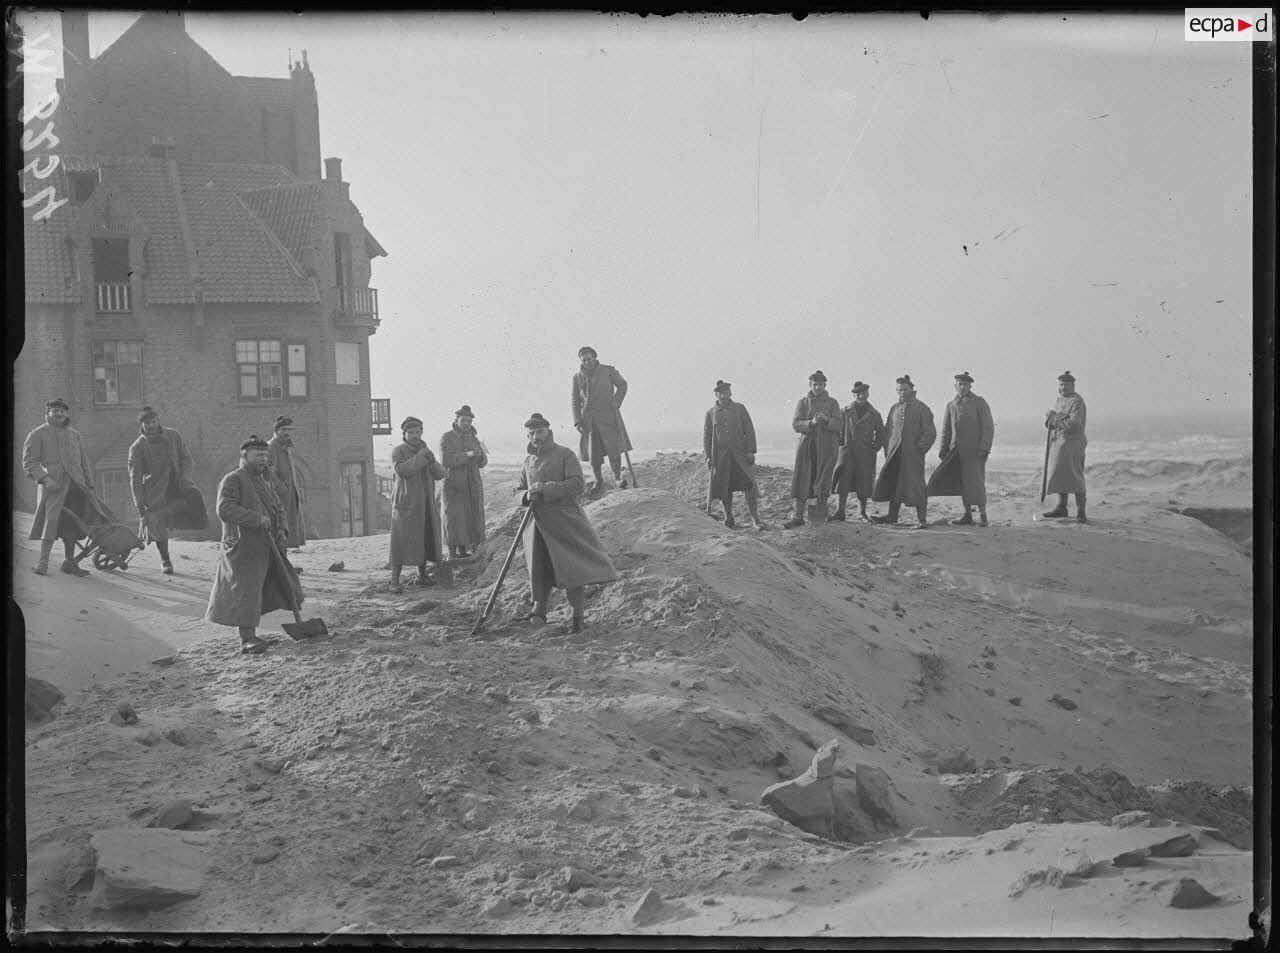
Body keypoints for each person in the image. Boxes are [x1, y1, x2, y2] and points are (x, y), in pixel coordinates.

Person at [514, 413, 619, 633]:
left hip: (564, 521)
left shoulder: (565, 455)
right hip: (536, 526)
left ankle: (577, 617)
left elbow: (577, 484)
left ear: (549, 432)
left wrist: (545, 488)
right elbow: (517, 489)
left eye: (540, 432)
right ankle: (539, 611)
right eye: (531, 433)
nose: (536, 437)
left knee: (572, 570)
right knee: (539, 568)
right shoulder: (528, 461)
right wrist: (525, 496)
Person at [204, 435, 303, 655]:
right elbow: (224, 509)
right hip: (241, 546)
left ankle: (266, 630)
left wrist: (281, 528)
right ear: (244, 456)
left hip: (267, 544)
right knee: (246, 591)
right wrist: (256, 518)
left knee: (280, 583)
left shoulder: (264, 480)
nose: (263, 460)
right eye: (258, 455)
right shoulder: (233, 479)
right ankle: (247, 639)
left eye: (266, 456)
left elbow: (278, 506)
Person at [22, 397, 97, 577]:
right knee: (51, 523)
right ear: (47, 413)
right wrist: (46, 479)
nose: (59, 414)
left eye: (62, 411)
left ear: (66, 414)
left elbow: (83, 461)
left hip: (76, 487)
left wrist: (89, 483)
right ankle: (43, 563)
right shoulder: (38, 434)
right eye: (55, 411)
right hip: (53, 487)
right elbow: (30, 462)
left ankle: (69, 562)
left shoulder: (75, 434)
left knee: (73, 524)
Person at [128, 405, 197, 574]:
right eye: (146, 422)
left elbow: (186, 458)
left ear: (158, 421)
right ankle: (165, 559)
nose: (150, 425)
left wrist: (186, 478)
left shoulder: (173, 435)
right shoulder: (137, 447)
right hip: (155, 489)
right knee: (155, 522)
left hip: (177, 484)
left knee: (193, 501)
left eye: (153, 421)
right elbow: (135, 478)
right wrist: (139, 504)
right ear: (142, 425)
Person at [388, 415, 446, 593]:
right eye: (410, 432)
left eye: (417, 431)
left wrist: (431, 460)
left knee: (423, 537)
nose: (414, 435)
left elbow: (440, 473)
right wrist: (421, 457)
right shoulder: (398, 451)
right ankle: (394, 581)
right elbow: (402, 471)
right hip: (405, 505)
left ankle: (422, 575)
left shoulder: (426, 451)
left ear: (422, 432)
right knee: (400, 542)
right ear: (404, 434)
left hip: (426, 504)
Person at [872, 375, 937, 529]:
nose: (902, 392)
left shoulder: (922, 408)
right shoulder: (894, 408)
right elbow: (889, 430)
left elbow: (930, 432)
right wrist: (888, 450)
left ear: (912, 389)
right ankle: (892, 517)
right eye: (899, 390)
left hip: (912, 455)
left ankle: (922, 520)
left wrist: (919, 449)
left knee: (916, 485)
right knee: (894, 484)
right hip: (894, 454)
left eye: (905, 389)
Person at [932, 372, 995, 526]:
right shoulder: (951, 405)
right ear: (955, 386)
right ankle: (967, 515)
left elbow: (988, 427)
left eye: (965, 384)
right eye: (959, 384)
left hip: (975, 452)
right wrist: (943, 450)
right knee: (962, 484)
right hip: (956, 452)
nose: (962, 387)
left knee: (977, 483)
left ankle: (983, 516)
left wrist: (984, 448)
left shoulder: (979, 403)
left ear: (970, 386)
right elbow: (946, 429)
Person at [784, 370, 843, 528]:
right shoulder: (803, 402)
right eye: (815, 384)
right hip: (807, 448)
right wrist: (811, 423)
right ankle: (798, 517)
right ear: (810, 385)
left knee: (823, 480)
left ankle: (821, 514)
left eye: (821, 385)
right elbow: (796, 424)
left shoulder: (833, 403)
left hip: (827, 448)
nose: (818, 388)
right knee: (802, 479)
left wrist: (827, 420)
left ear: (825, 385)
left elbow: (839, 425)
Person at [703, 380, 765, 531]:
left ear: (730, 393)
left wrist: (751, 450)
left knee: (749, 485)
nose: (724, 396)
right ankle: (728, 517)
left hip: (741, 455)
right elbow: (707, 436)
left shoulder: (739, 409)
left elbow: (749, 430)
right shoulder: (711, 413)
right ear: (716, 395)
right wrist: (709, 456)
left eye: (726, 392)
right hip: (722, 457)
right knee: (726, 487)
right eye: (720, 393)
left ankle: (755, 519)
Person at [571, 346, 632, 493]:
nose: (587, 362)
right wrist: (577, 421)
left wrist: (616, 401)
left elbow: (622, 385)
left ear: (595, 358)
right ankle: (598, 481)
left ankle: (617, 479)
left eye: (589, 359)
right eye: (584, 360)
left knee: (613, 449)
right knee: (594, 453)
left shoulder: (608, 371)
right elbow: (575, 400)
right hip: (589, 421)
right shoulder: (577, 377)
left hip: (608, 417)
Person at [831, 380, 886, 522]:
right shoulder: (845, 411)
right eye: (858, 394)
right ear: (854, 395)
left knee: (864, 483)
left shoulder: (874, 414)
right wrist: (841, 446)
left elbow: (881, 434)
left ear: (868, 394)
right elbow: (837, 430)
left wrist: (874, 448)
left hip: (865, 454)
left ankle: (862, 513)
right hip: (847, 453)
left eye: (864, 393)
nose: (861, 396)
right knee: (843, 482)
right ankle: (840, 511)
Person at [440, 405, 488, 559]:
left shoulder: (474, 438)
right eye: (463, 420)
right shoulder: (446, 437)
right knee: (454, 517)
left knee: (469, 517)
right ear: (456, 420)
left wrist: (480, 456)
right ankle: (452, 553)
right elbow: (445, 460)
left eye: (469, 420)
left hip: (472, 484)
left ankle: (464, 551)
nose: (467, 423)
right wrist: (466, 455)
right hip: (454, 484)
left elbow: (482, 463)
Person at [1043, 370, 1088, 522]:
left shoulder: (1077, 401)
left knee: (1075, 476)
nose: (1063, 388)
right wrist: (1050, 419)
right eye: (1061, 384)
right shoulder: (1059, 400)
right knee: (1060, 475)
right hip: (1058, 443)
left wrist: (1056, 418)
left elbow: (1074, 425)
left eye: (1066, 385)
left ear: (1073, 385)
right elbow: (1056, 421)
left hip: (1073, 444)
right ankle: (1062, 508)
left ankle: (1081, 511)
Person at [266, 416, 307, 550]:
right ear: (277, 430)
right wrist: (281, 488)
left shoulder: (285, 445)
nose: (287, 432)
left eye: (290, 429)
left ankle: (284, 561)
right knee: (280, 526)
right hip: (279, 495)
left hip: (289, 492)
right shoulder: (272, 446)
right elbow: (269, 471)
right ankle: (281, 563)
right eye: (284, 429)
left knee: (288, 525)